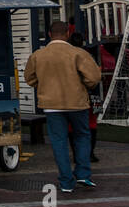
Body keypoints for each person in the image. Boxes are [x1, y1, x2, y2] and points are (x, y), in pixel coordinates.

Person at [25, 20, 102, 192]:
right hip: (77, 103)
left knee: (59, 142)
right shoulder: (78, 53)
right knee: (82, 137)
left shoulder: (38, 55)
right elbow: (94, 77)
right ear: (67, 33)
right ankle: (83, 174)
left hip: (52, 104)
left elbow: (29, 78)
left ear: (50, 35)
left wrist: (44, 85)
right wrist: (84, 85)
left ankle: (66, 181)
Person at [68, 32, 100, 163]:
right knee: (92, 124)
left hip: (73, 95)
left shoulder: (68, 57)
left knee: (72, 126)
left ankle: (77, 154)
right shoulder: (89, 56)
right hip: (93, 93)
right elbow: (96, 74)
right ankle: (90, 153)